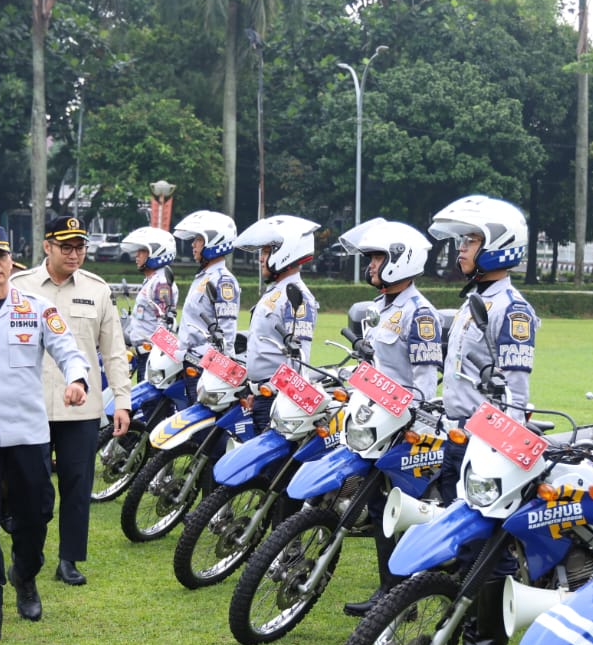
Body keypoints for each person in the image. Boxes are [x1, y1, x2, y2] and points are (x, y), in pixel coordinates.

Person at [0, 225, 89, 645]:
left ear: (11, 261)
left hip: (28, 433)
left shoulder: (37, 308)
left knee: (35, 516)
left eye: (0, 256)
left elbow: (68, 350)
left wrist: (77, 379)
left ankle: (25, 576)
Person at [427, 194, 538, 645]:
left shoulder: (511, 309)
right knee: (462, 544)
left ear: (498, 245)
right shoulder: (476, 302)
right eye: (463, 241)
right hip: (459, 439)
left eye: (471, 241)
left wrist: (502, 454)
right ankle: (463, 634)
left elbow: (516, 394)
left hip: (488, 446)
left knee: (488, 551)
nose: (462, 249)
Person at [8, 215, 132, 587]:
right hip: (30, 404)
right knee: (31, 487)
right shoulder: (20, 286)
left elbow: (114, 350)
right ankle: (27, 552)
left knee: (77, 487)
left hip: (81, 408)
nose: (74, 254)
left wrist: (122, 401)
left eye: (80, 247)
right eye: (66, 247)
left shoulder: (97, 289)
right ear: (47, 246)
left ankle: (69, 559)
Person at [336, 216, 442, 616]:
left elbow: (424, 385)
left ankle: (402, 595)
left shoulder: (420, 313)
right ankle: (390, 590)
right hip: (375, 422)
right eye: (372, 258)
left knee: (401, 510)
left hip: (404, 427)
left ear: (401, 258)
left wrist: (410, 418)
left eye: (378, 258)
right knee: (380, 507)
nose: (371, 265)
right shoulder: (380, 308)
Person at [233, 216, 321, 433]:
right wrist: (255, 391)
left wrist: (273, 391)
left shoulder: (297, 296)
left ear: (287, 251)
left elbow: (299, 360)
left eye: (266, 251)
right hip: (263, 394)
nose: (261, 259)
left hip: (279, 398)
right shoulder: (277, 291)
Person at [171, 210, 241, 361]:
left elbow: (226, 336)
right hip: (190, 360)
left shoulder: (223, 281)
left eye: (198, 239)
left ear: (214, 241)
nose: (193, 244)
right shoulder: (203, 277)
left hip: (206, 365)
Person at [118, 226, 179, 378]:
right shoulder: (152, 280)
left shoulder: (161, 283)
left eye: (142, 251)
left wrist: (157, 356)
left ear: (156, 252)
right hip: (144, 353)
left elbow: (164, 323)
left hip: (151, 355)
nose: (137, 255)